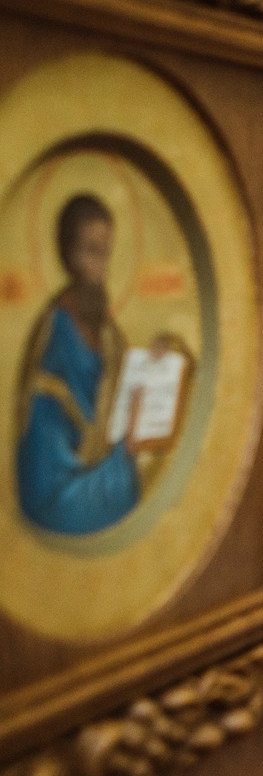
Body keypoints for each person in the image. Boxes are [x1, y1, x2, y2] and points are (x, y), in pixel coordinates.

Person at [17, 193, 139, 534]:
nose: (101, 269)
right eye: (92, 252)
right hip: (55, 489)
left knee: (127, 482)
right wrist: (114, 464)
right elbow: (43, 470)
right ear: (68, 256)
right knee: (123, 487)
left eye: (107, 254)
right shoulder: (53, 337)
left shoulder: (110, 333)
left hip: (99, 471)